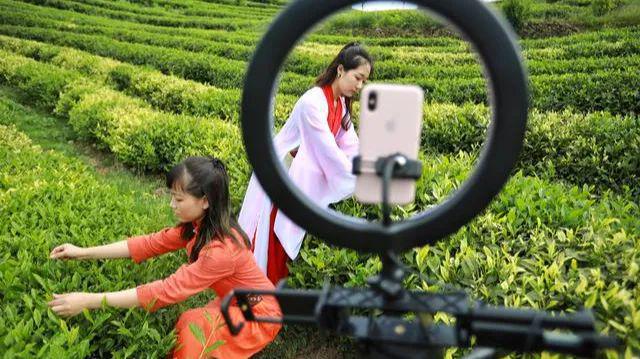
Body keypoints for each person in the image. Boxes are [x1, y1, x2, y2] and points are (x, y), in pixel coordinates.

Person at [48, 156, 281, 359]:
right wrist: (82, 252)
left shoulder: (222, 251)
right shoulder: (200, 226)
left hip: (260, 312)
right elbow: (149, 244)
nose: (172, 205)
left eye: (179, 199)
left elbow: (166, 290)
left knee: (192, 326)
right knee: (193, 326)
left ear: (206, 201)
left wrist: (88, 301)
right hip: (237, 299)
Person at [238, 42, 374, 285]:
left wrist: (365, 164)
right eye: (358, 77)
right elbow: (329, 154)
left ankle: (270, 307)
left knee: (281, 254)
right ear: (341, 70)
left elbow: (351, 145)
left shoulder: (340, 104)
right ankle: (261, 305)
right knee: (271, 249)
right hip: (282, 181)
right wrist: (359, 175)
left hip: (299, 182)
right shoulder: (314, 102)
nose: (360, 86)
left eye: (364, 81)